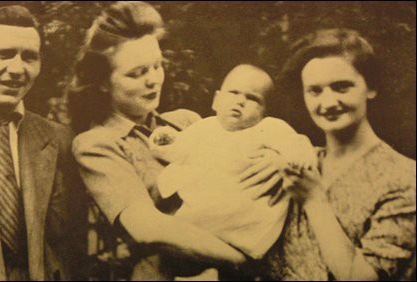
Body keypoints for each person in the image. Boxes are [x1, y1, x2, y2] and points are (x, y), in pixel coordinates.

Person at [69, 2, 252, 280]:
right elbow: (147, 228)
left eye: (157, 66)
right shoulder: (98, 145)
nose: (153, 80)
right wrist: (243, 258)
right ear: (103, 81)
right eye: (137, 73)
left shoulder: (187, 122)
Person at [257, 28, 416, 280]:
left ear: (371, 88)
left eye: (341, 87)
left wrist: (314, 200)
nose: (328, 103)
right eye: (314, 91)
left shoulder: (405, 179)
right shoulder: (299, 162)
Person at [0, 5, 86, 281]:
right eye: (3, 54)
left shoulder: (59, 140)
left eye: (29, 57)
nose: (16, 69)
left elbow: (72, 246)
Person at [149, 64, 316, 266]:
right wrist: (162, 139)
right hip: (199, 219)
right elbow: (177, 150)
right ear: (216, 100)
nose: (240, 101)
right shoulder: (205, 128)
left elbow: (295, 144)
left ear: (265, 111)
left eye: (253, 98)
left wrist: (300, 154)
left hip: (245, 226)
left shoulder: (269, 128)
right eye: (233, 93)